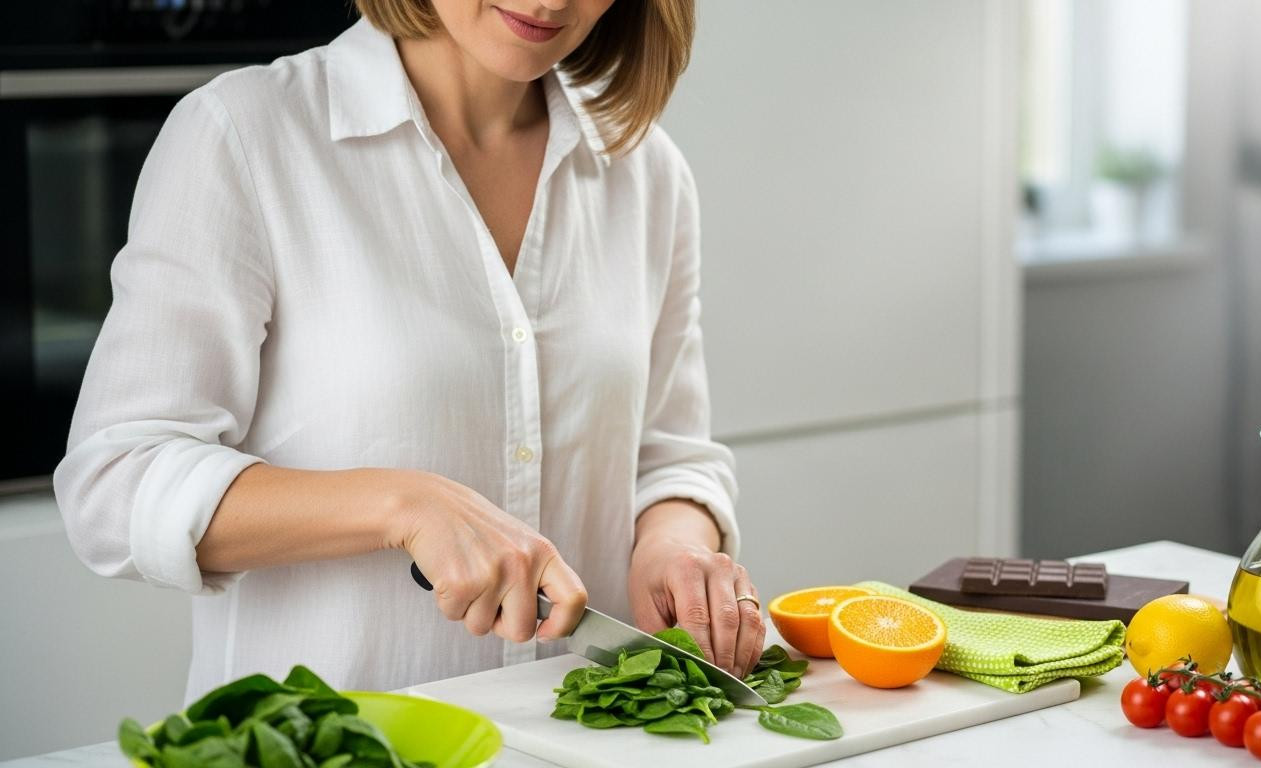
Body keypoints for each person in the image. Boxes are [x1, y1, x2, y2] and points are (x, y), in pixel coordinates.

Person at [54, 0, 763, 701]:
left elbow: (669, 454)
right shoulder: (246, 135)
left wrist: (674, 543)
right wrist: (402, 505)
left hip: (581, 744)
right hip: (334, 748)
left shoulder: (644, 170)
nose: (551, 0)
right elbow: (115, 484)